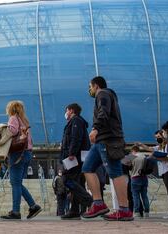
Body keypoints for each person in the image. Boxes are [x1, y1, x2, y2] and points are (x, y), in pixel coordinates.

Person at [81, 76, 133, 221]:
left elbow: (104, 111)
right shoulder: (104, 95)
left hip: (109, 140)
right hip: (100, 141)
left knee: (115, 172)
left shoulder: (102, 94)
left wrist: (95, 128)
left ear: (96, 85)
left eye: (90, 86)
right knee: (87, 168)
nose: (89, 90)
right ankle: (98, 203)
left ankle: (124, 209)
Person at [0, 100, 41, 220]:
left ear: (11, 109)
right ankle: (33, 206)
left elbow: (12, 131)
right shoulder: (24, 120)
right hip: (27, 153)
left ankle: (16, 211)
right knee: (17, 183)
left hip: (18, 154)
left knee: (15, 183)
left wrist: (2, 130)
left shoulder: (13, 118)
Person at [137, 130, 168, 219]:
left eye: (158, 137)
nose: (157, 139)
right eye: (156, 137)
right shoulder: (159, 147)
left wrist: (158, 158)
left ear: (163, 136)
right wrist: (141, 145)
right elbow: (149, 149)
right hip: (164, 172)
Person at [59, 103, 93, 220]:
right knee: (75, 182)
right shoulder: (74, 122)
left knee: (67, 179)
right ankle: (74, 210)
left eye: (67, 110)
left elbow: (75, 138)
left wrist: (71, 153)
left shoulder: (76, 121)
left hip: (74, 157)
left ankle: (88, 200)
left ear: (71, 110)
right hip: (74, 156)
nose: (66, 113)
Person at [126, 146, 150, 218]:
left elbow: (129, 167)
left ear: (133, 150)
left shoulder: (132, 157)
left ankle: (137, 212)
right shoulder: (144, 157)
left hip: (135, 178)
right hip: (144, 177)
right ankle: (147, 212)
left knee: (135, 196)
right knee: (144, 196)